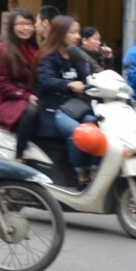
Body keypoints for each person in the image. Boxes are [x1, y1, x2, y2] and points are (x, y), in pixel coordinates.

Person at [34, 15, 97, 184]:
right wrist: (68, 85)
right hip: (54, 109)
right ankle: (80, 174)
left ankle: (94, 170)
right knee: (78, 133)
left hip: (76, 108)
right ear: (61, 34)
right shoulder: (47, 57)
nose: (77, 36)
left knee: (95, 125)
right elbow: (46, 80)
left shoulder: (76, 56)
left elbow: (88, 78)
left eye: (78, 32)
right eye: (73, 32)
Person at [0, 7, 40, 158]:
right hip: (10, 99)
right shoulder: (2, 49)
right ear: (12, 27)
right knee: (31, 111)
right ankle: (20, 154)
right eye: (21, 24)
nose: (26, 28)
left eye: (29, 24)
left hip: (30, 96)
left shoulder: (33, 49)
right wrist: (25, 96)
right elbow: (1, 83)